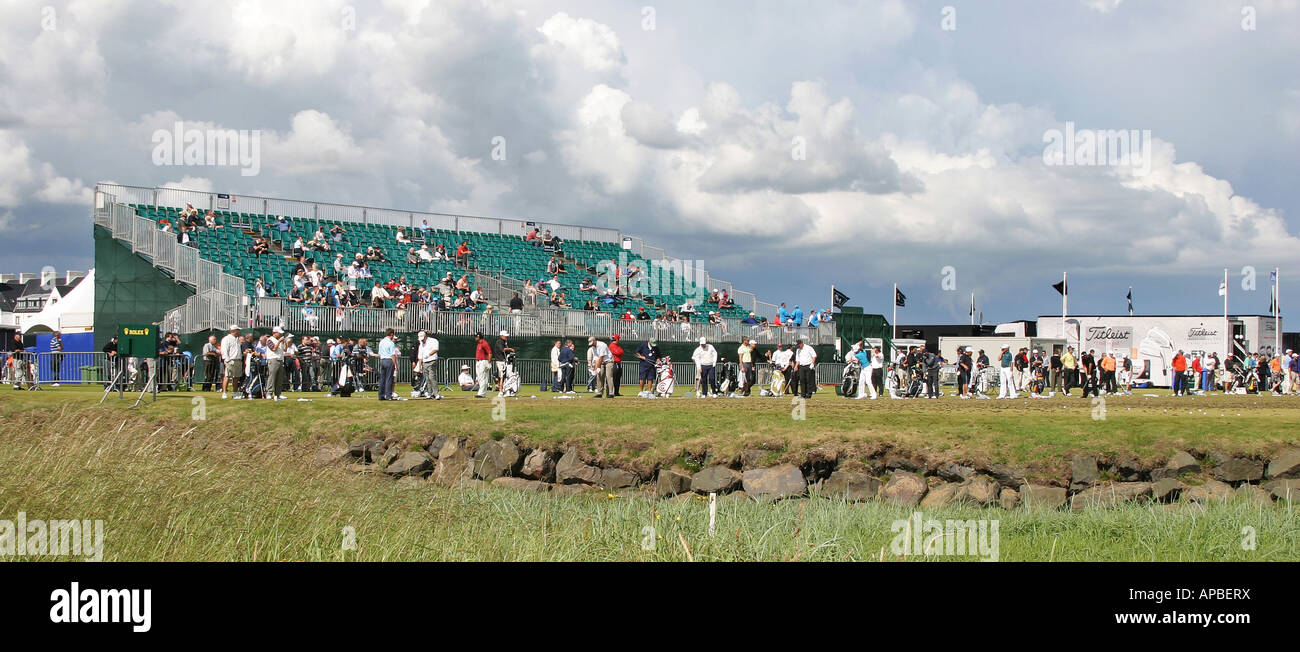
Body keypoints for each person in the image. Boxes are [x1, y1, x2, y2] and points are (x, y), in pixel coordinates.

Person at [220, 325, 243, 399]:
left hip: (238, 360)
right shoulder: (226, 339)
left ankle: (235, 393)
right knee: (227, 376)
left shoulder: (237, 339)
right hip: (230, 360)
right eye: (237, 330)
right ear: (233, 330)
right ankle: (224, 393)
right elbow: (224, 350)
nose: (239, 331)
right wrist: (227, 360)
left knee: (236, 378)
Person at [377, 328, 398, 401]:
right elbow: (393, 355)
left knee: (382, 378)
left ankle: (381, 395)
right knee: (389, 379)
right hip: (389, 360)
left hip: (383, 360)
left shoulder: (381, 342)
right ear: (391, 334)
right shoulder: (391, 343)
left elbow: (379, 353)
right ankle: (388, 395)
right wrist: (395, 365)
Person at [473, 333, 493, 398]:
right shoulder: (479, 344)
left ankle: (481, 393)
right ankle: (482, 392)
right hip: (478, 361)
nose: (475, 338)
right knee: (479, 377)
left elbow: (489, 353)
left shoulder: (484, 343)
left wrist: (489, 362)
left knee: (483, 377)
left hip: (483, 361)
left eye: (476, 336)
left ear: (479, 337)